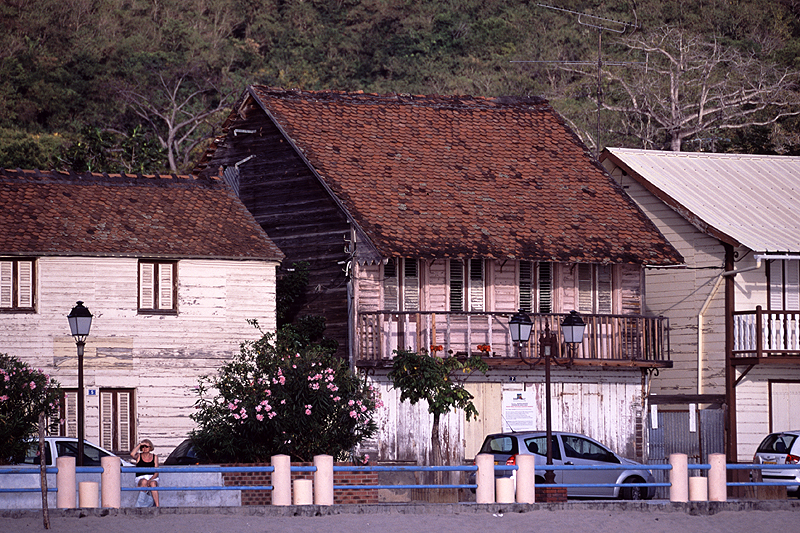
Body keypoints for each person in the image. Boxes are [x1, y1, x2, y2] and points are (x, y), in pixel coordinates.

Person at [131, 439, 160, 507]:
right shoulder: (139, 456)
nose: (145, 448)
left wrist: (151, 479)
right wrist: (139, 444)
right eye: (143, 446)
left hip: (152, 476)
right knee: (144, 482)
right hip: (141, 477)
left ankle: (157, 505)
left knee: (152, 483)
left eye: (146, 446)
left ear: (150, 447)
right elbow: (132, 454)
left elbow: (156, 471)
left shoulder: (154, 457)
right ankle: (140, 505)